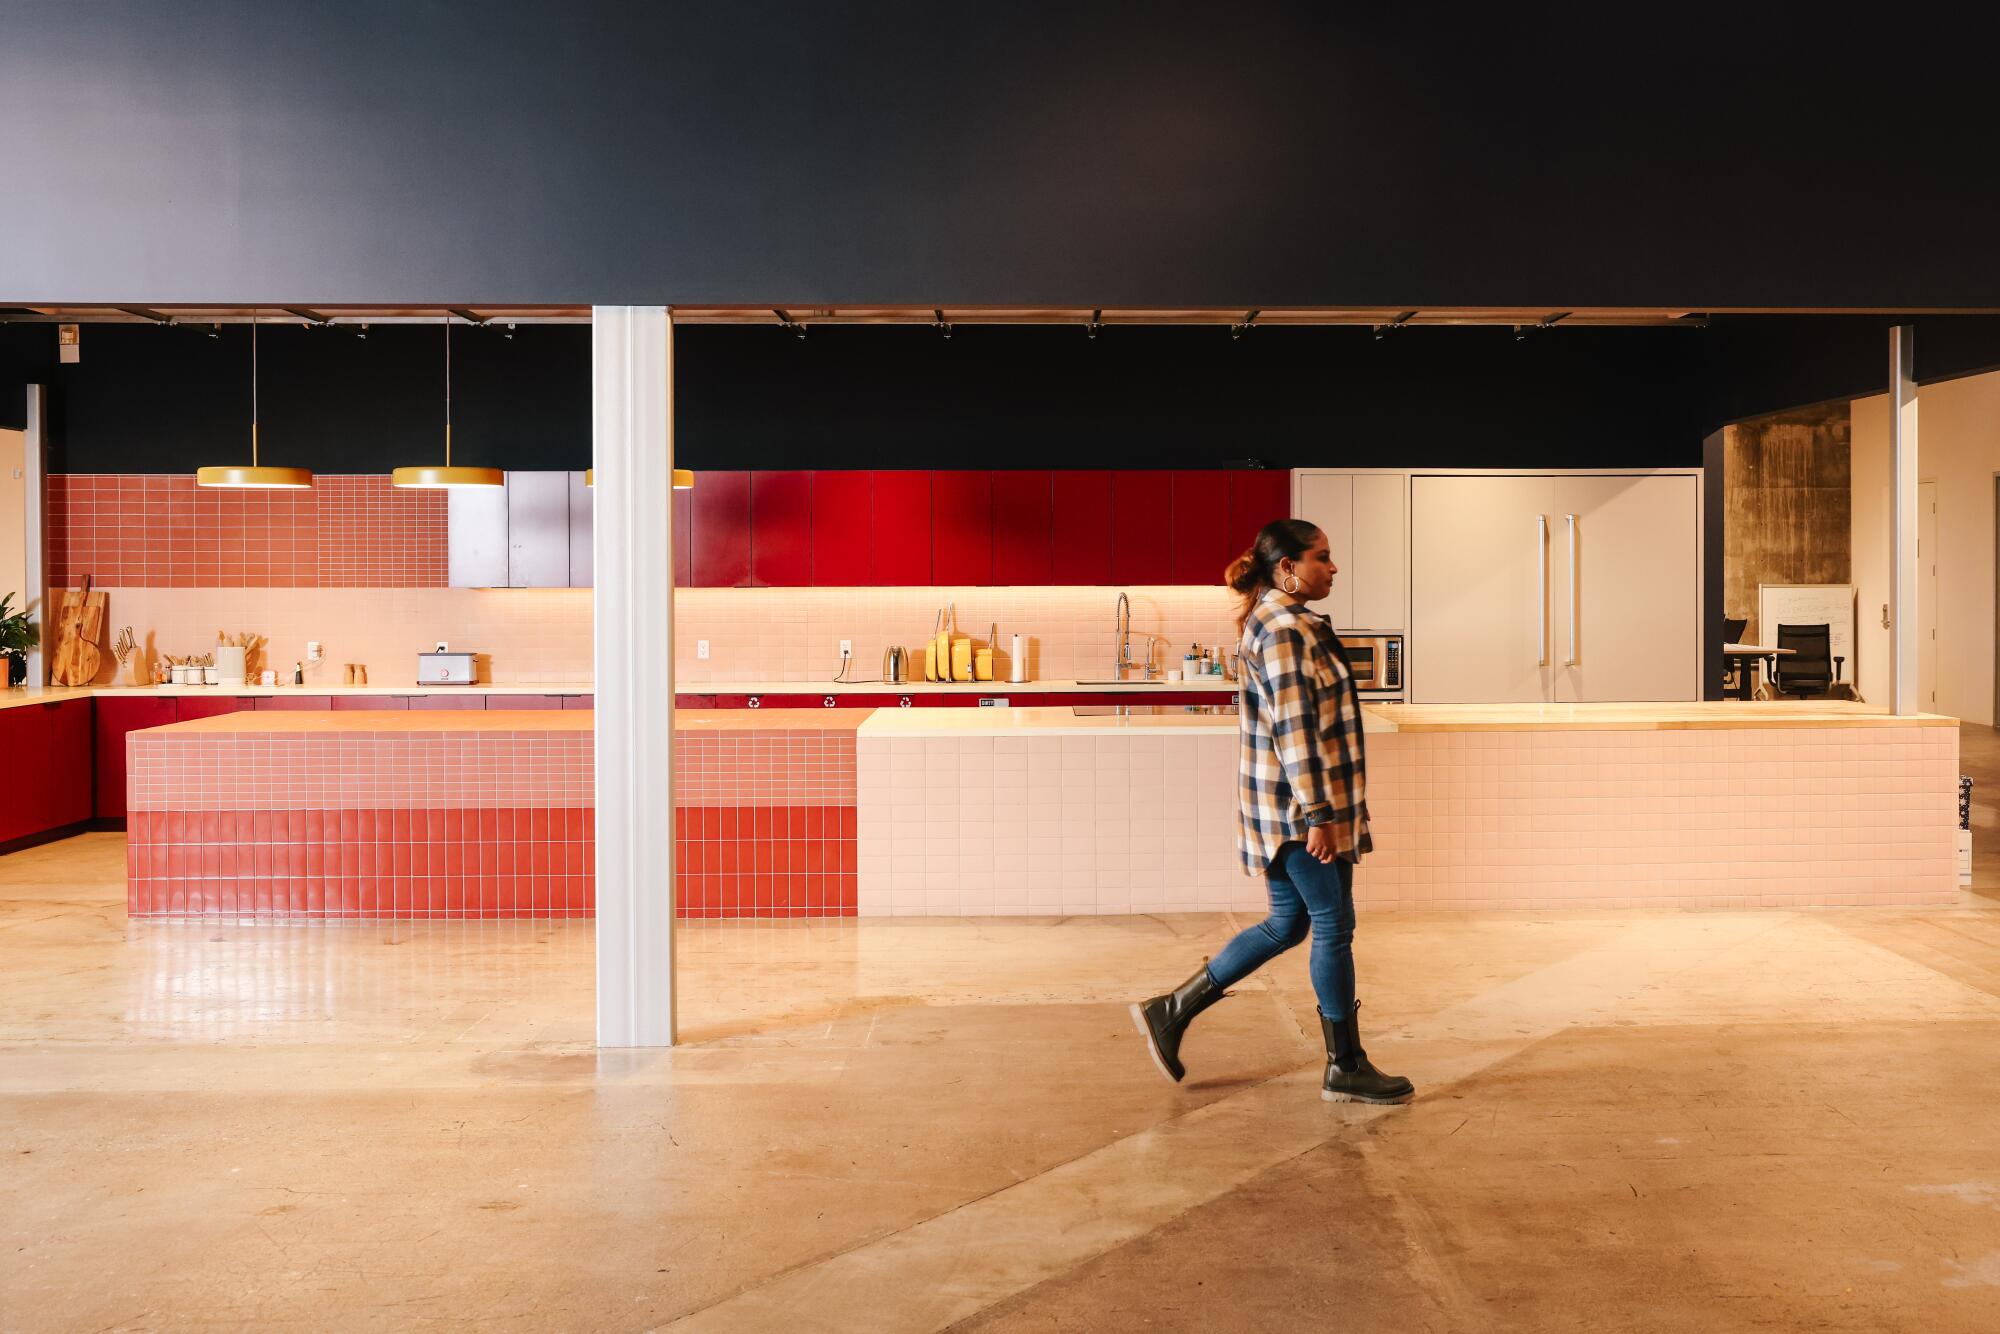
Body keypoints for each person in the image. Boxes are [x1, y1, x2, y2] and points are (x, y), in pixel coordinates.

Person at [1130, 518, 1414, 1105]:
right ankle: (1346, 1065)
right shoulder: (1283, 628)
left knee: (1289, 923)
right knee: (1332, 926)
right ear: (1287, 567)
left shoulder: (1287, 621)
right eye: (1322, 557)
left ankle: (1171, 1010)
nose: (1333, 568)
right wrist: (1319, 814)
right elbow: (1295, 730)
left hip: (1294, 805)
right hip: (1299, 809)